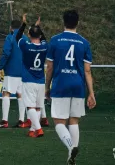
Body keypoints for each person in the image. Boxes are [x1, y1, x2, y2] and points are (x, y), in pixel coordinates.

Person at [45, 10, 96, 165]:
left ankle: (71, 147)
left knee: (59, 122)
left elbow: (50, 67)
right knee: (74, 121)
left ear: (63, 22)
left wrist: (47, 87)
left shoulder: (55, 40)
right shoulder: (84, 42)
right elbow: (87, 70)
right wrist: (91, 93)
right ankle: (71, 157)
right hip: (78, 87)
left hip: (61, 84)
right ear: (78, 23)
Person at [15, 14, 48, 138]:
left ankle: (38, 129)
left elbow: (17, 36)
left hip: (29, 80)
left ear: (29, 35)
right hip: (40, 80)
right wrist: (38, 27)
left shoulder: (25, 45)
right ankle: (33, 129)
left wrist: (23, 24)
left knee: (30, 106)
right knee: (38, 107)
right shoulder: (45, 46)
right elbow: (43, 38)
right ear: (39, 36)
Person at [0, 19, 29, 129]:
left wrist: (1, 66)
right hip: (23, 71)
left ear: (11, 27)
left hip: (11, 71)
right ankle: (21, 120)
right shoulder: (26, 39)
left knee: (6, 93)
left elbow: (6, 53)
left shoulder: (10, 37)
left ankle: (5, 120)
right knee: (20, 95)